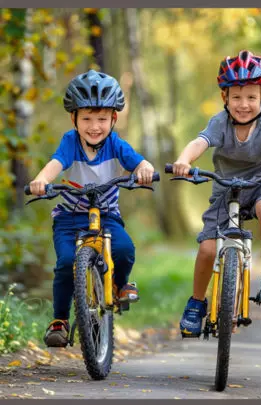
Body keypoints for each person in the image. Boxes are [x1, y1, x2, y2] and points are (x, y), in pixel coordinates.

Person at [172, 50, 261, 337]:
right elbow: (200, 142)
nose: (244, 105)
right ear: (225, 99)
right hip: (225, 186)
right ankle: (196, 303)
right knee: (207, 249)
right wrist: (183, 161)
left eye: (251, 97)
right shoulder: (220, 122)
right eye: (237, 97)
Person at [29, 70, 155, 347]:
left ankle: (119, 285)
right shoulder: (70, 142)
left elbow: (139, 162)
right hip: (69, 218)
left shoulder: (116, 144)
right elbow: (56, 163)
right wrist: (41, 180)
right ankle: (60, 320)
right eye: (86, 118)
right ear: (73, 118)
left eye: (102, 119)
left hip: (107, 215)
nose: (94, 126)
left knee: (123, 250)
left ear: (113, 118)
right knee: (65, 264)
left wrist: (145, 170)